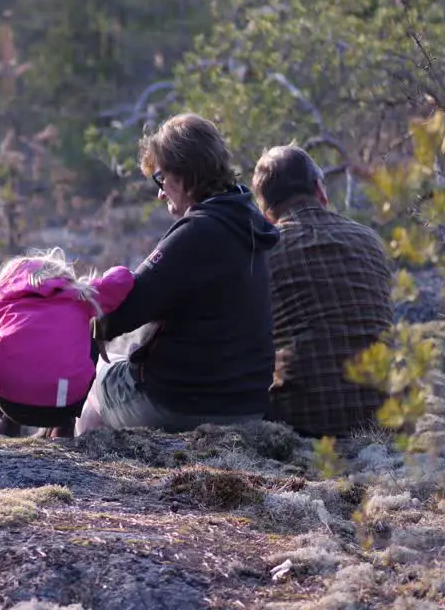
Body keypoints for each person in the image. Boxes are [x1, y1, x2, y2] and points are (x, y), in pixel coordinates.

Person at [76, 113, 280, 434]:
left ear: (184, 174)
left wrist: (91, 323)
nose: (160, 193)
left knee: (92, 384)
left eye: (161, 179)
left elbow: (122, 313)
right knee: (113, 364)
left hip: (180, 404)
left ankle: (84, 473)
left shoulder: (197, 232)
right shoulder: (250, 224)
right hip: (248, 405)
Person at [251, 145, 394, 438]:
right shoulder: (370, 240)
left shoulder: (262, 252)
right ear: (320, 189)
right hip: (386, 416)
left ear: (265, 214)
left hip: (303, 420)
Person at [0, 247, 133, 439]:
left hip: (11, 403)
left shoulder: (2, 302)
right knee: (89, 339)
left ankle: (4, 433)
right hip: (61, 405)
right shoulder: (81, 297)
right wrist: (112, 273)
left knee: (4, 354)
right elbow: (122, 279)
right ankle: (63, 429)